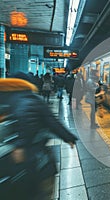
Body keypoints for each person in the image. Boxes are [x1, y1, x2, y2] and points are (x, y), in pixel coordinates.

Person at [0, 72, 77, 200]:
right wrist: (69, 137)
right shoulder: (31, 99)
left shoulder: (6, 99)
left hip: (12, 165)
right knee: (43, 192)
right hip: (37, 161)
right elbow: (52, 122)